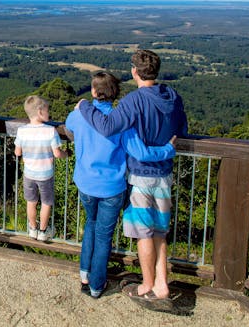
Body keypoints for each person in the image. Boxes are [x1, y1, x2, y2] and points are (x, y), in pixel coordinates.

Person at [75, 49, 188, 303]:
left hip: (139, 176)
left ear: (134, 71)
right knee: (160, 233)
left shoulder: (133, 101)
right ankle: (162, 284)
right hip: (165, 175)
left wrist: (84, 106)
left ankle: (147, 285)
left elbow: (106, 126)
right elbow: (182, 129)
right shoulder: (173, 96)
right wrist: (166, 149)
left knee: (144, 233)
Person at [14, 95, 68, 242]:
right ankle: (43, 231)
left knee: (31, 202)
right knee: (46, 202)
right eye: (47, 110)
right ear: (39, 111)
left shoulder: (22, 131)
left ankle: (32, 229)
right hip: (45, 174)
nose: (48, 113)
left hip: (29, 174)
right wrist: (66, 154)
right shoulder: (50, 131)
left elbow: (17, 152)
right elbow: (57, 154)